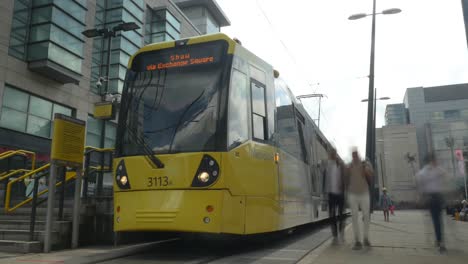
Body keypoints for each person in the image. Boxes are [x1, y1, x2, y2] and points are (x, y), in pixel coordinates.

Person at [416, 153, 448, 252]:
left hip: (435, 197)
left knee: (437, 220)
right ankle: (440, 241)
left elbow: (420, 182)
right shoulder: (432, 170)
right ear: (431, 160)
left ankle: (439, 240)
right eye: (434, 160)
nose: (436, 162)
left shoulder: (427, 171)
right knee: (437, 220)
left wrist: (421, 197)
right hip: (434, 197)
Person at [346, 148, 374, 250]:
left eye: (356, 154)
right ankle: (357, 240)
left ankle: (366, 238)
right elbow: (345, 178)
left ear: (358, 155)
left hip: (364, 193)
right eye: (353, 155)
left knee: (366, 216)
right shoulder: (349, 165)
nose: (354, 156)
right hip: (352, 194)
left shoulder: (365, 164)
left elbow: (370, 176)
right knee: (354, 217)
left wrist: (364, 169)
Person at [324, 149, 346, 244]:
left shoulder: (340, 164)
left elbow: (345, 176)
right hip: (331, 194)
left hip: (340, 194)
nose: (332, 155)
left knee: (341, 215)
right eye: (331, 154)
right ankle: (335, 235)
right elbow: (324, 177)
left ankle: (341, 232)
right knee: (332, 215)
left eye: (333, 153)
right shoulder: (327, 165)